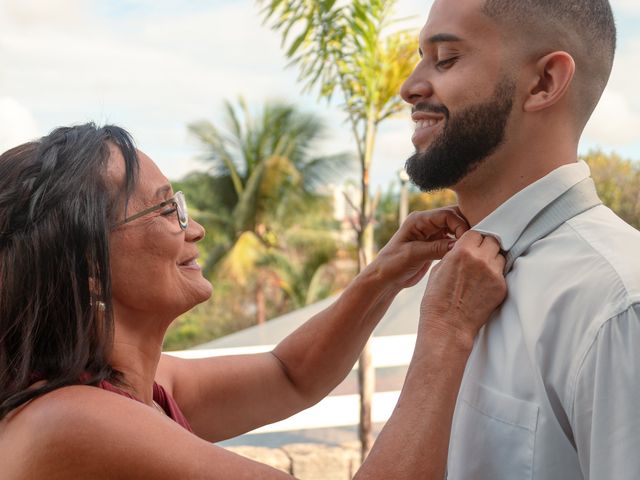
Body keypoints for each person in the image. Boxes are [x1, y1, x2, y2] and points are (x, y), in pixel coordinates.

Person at [0, 123, 506, 479]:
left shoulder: (140, 387)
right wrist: (447, 327)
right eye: (164, 211)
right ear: (89, 268)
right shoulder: (71, 421)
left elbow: (289, 375)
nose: (194, 228)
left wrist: (383, 275)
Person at [400, 0, 640, 478]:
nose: (409, 88)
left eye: (446, 58)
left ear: (544, 82)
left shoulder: (617, 306)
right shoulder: (449, 279)